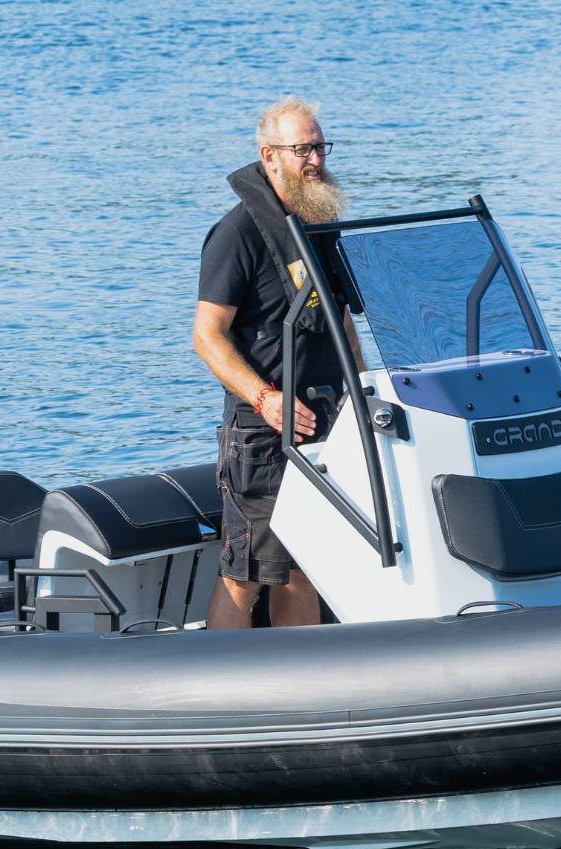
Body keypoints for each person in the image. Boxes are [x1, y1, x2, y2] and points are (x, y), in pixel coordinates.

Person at [193, 96, 357, 629]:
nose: (316, 159)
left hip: (325, 423)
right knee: (249, 573)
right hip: (262, 432)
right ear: (269, 156)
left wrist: (362, 391)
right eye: (302, 149)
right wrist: (265, 398)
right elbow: (207, 337)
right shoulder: (237, 233)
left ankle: (305, 687)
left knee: (306, 569)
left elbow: (342, 321)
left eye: (319, 146)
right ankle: (218, 691)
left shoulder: (316, 223)